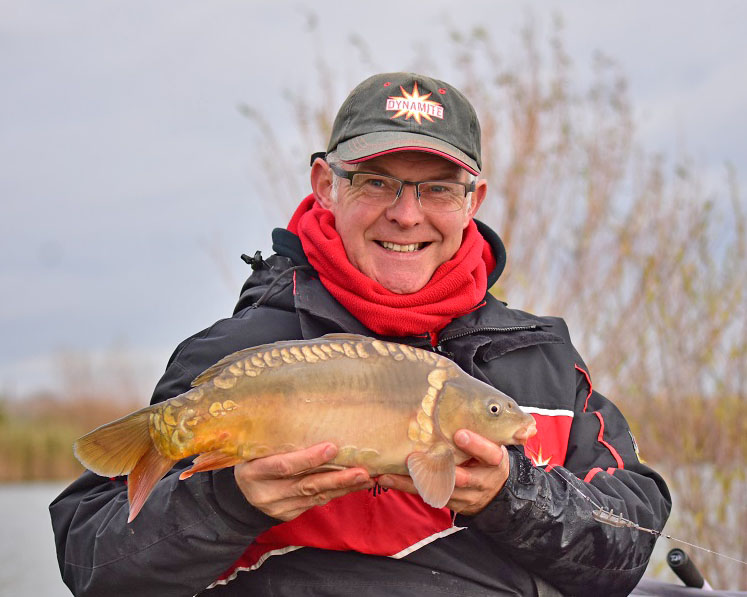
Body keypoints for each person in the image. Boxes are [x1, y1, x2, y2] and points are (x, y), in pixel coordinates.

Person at [50, 72, 671, 596]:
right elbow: (90, 559)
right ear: (326, 186)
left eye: (437, 189)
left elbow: (629, 541)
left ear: (473, 199)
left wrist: (511, 496)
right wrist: (228, 501)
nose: (406, 214)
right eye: (376, 182)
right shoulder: (237, 356)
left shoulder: (542, 362)